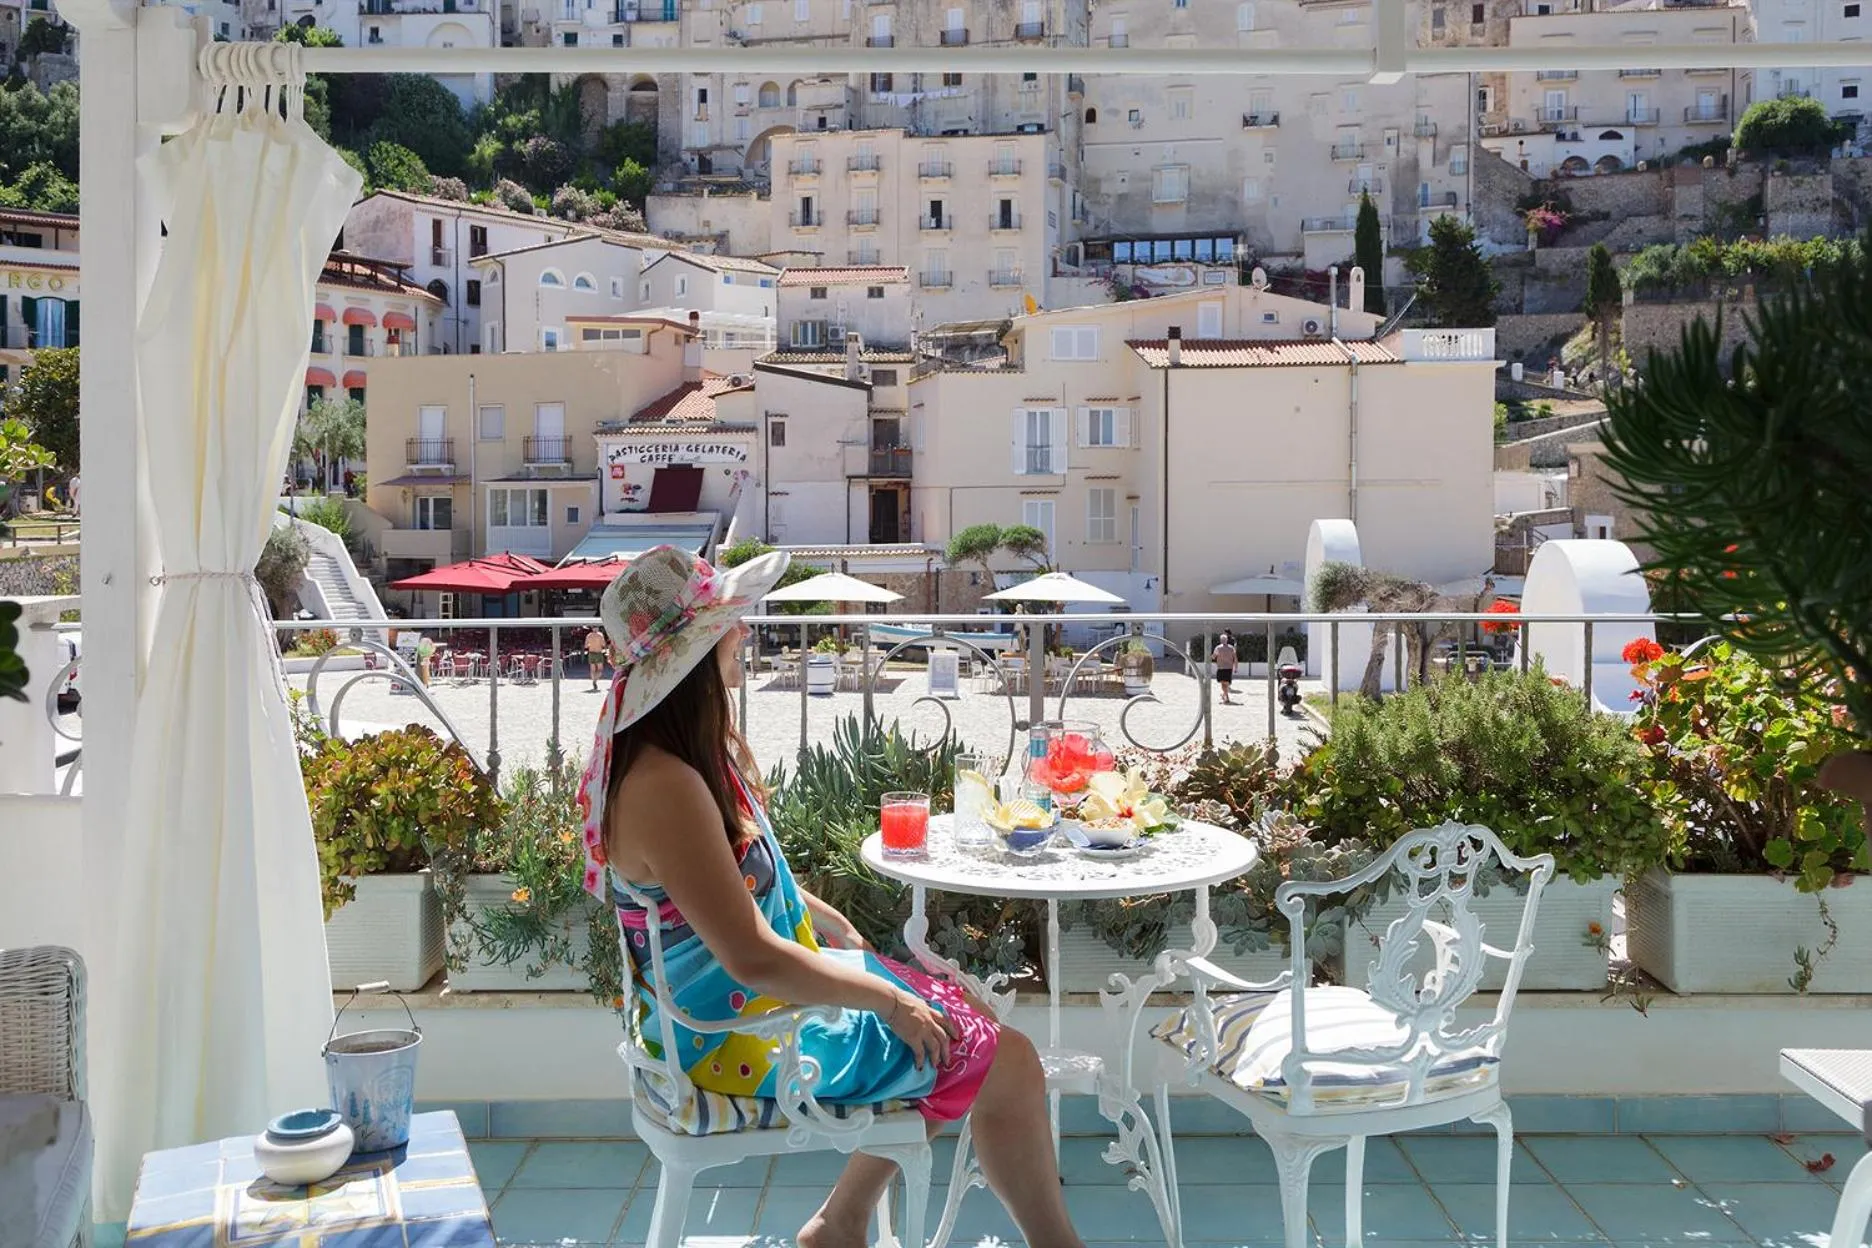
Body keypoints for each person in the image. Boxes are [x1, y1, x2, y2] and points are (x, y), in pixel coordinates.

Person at [579, 546, 1086, 1248]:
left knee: (963, 1020)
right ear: (694, 654)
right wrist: (889, 998)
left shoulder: (678, 760)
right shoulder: (666, 786)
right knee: (1004, 1057)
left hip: (724, 1007)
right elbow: (752, 957)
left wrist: (832, 926)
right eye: (731, 623)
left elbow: (730, 890)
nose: (745, 633)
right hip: (736, 1033)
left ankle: (840, 1222)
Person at [1212, 629, 1238, 706]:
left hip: (1221, 668)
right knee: (1226, 683)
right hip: (1229, 668)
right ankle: (1225, 695)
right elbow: (1235, 658)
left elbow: (1213, 657)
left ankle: (1226, 697)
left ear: (1221, 640)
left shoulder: (1218, 648)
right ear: (1227, 640)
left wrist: (1210, 657)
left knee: (1223, 683)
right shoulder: (1231, 648)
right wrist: (1235, 667)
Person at [584, 625, 608, 691]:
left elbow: (586, 646)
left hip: (591, 653)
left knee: (593, 670)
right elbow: (603, 644)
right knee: (600, 669)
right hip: (598, 653)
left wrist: (591, 644)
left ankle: (594, 681)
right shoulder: (600, 635)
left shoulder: (589, 635)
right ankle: (595, 681)